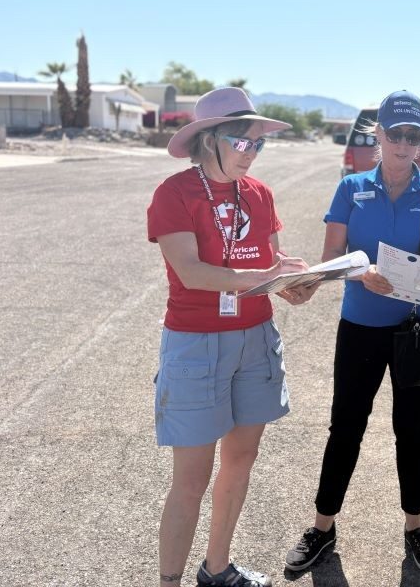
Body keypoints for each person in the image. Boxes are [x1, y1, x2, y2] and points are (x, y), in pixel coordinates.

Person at [284, 90, 420, 575]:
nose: (405, 144)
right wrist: (359, 274)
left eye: (414, 136)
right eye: (396, 134)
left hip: (416, 330)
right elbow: (332, 258)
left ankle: (415, 528)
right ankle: (322, 528)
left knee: (412, 429)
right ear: (379, 135)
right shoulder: (351, 188)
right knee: (345, 426)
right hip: (361, 327)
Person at [147, 87, 312, 587]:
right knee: (191, 480)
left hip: (255, 337)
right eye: (244, 142)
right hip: (196, 341)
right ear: (208, 139)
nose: (252, 153)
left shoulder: (259, 194)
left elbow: (270, 265)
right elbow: (192, 272)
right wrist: (262, 278)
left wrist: (292, 286)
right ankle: (168, 582)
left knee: (241, 459)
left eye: (258, 145)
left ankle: (216, 568)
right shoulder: (174, 193)